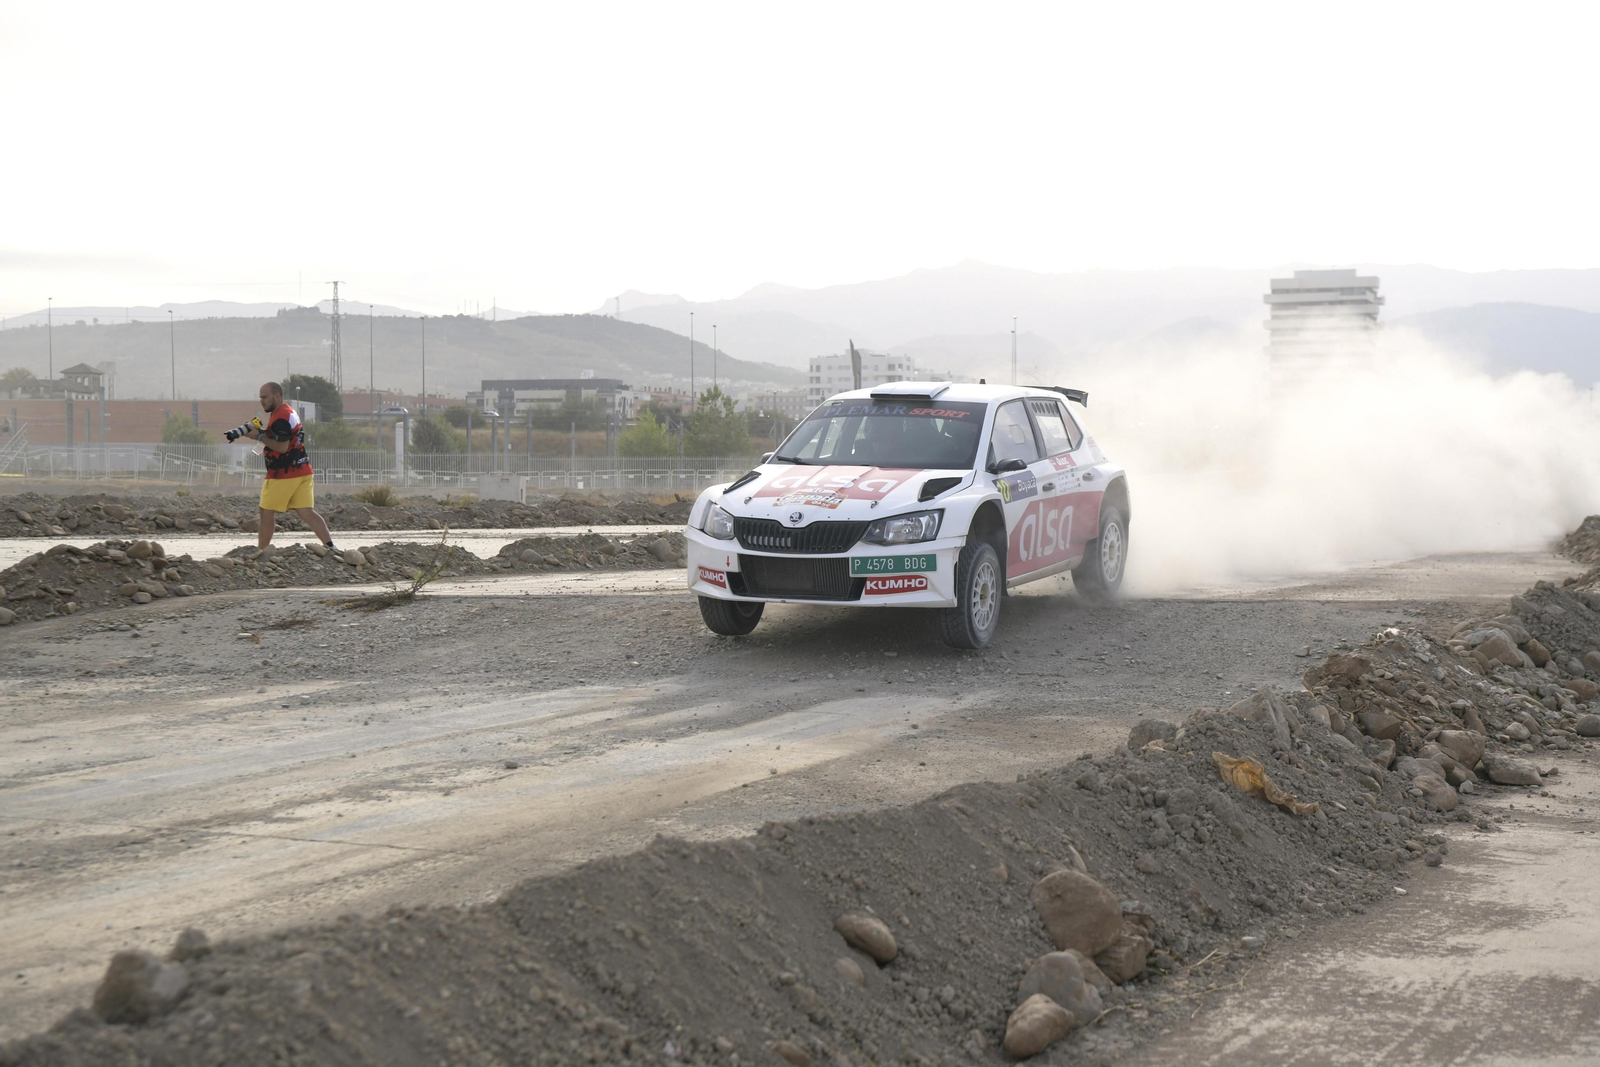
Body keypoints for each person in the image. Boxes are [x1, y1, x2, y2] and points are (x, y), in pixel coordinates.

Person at [225, 382, 339, 553]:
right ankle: (331, 547)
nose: (262, 401)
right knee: (306, 511)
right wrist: (261, 432)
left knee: (266, 511)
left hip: (284, 474)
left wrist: (259, 435)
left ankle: (262, 552)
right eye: (260, 398)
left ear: (277, 396)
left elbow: (282, 447)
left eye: (265, 397)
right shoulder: (288, 412)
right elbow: (283, 437)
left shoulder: (280, 417)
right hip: (303, 470)